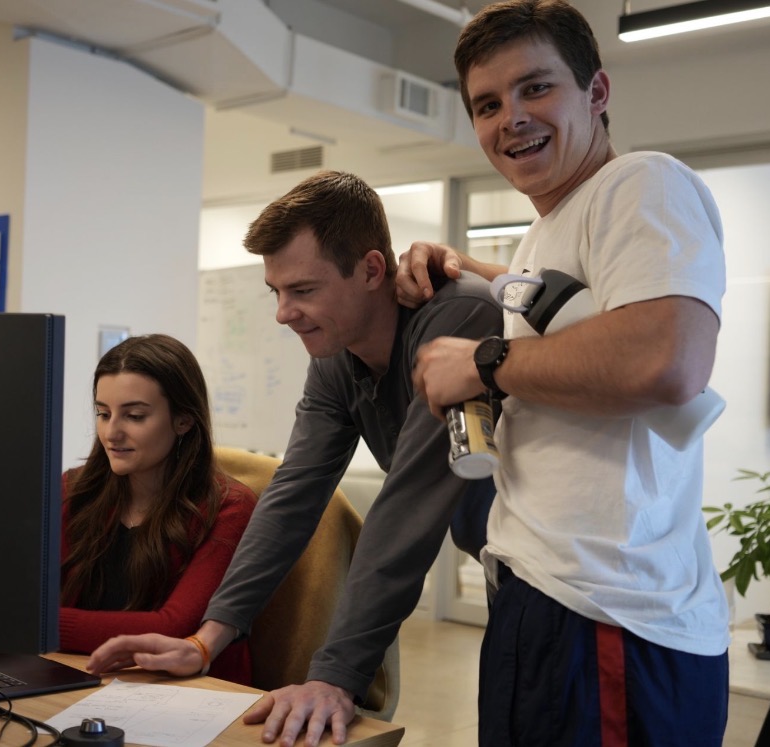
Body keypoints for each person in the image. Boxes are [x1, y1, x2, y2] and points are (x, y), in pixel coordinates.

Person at [399, 1, 731, 744]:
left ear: (598, 93)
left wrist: (484, 361)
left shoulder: (643, 184)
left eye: (535, 88)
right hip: (544, 597)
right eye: (487, 104)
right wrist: (457, 264)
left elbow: (665, 358)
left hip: (609, 614)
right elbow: (561, 307)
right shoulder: (547, 229)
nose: (510, 117)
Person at [88, 170, 502, 747]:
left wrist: (335, 676)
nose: (284, 313)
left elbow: (406, 507)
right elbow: (292, 496)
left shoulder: (456, 316)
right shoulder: (336, 359)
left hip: (583, 581)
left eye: (303, 290)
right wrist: (208, 640)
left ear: (372, 270)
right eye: (276, 292)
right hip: (505, 570)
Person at [58, 333, 257, 685]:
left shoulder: (229, 507)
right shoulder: (74, 490)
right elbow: (28, 594)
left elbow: (172, 628)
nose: (111, 433)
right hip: (81, 675)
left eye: (134, 416)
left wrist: (39, 623)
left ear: (183, 420)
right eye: (103, 414)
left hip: (187, 693)